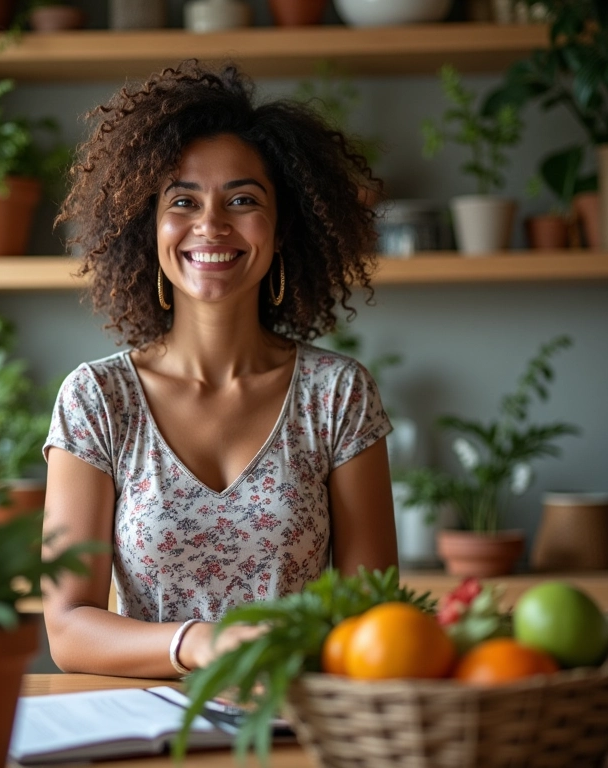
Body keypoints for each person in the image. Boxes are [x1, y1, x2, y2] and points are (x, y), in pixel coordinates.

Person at [42, 59, 398, 679]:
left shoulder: (337, 395)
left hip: (298, 720)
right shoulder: (97, 399)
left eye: (242, 199)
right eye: (183, 200)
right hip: (149, 730)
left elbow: (376, 616)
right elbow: (68, 627)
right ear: (148, 227)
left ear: (282, 228)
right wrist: (198, 643)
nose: (211, 223)